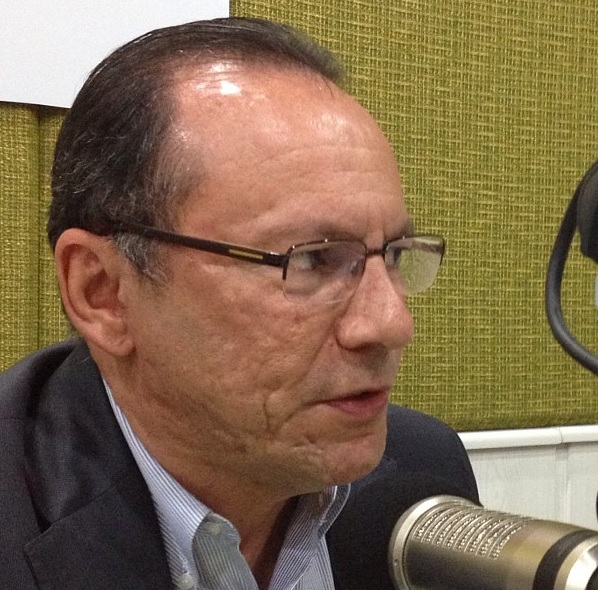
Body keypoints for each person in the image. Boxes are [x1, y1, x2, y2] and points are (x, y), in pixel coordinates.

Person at [0, 17, 478, 590]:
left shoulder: (421, 475)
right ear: (102, 293)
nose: (391, 323)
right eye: (313, 260)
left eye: (395, 254)